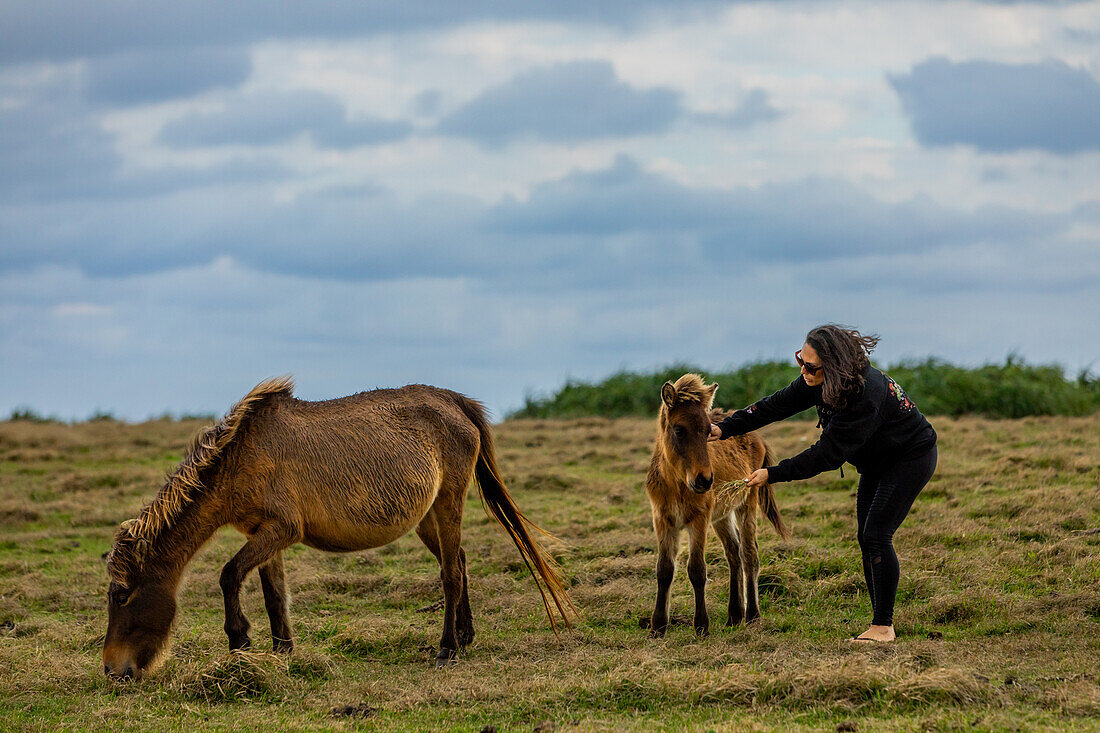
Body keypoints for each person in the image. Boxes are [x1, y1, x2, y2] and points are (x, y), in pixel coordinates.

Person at [708, 324, 937, 642]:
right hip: (874, 462)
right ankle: (879, 621)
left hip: (909, 459)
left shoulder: (864, 396)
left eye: (810, 365)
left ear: (834, 366)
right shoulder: (817, 379)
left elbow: (826, 456)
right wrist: (723, 428)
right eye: (799, 359)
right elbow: (775, 406)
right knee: (865, 536)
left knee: (876, 534)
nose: (803, 369)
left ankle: (883, 627)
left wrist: (772, 473)